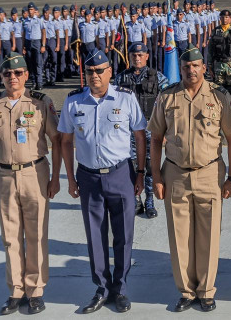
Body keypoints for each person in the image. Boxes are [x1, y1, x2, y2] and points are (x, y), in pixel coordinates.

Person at [148, 45, 231, 313]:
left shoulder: (220, 96)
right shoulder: (167, 97)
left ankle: (206, 291)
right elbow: (155, 139)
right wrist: (156, 175)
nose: (191, 70)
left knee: (208, 235)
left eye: (196, 65)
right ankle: (187, 291)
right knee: (179, 237)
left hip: (210, 173)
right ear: (182, 68)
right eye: (186, 66)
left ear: (204, 67)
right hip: (175, 173)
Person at [0, 52, 61, 315]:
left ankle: (35, 291)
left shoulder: (40, 103)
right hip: (2, 176)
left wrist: (56, 178)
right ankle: (15, 291)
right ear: (1, 77)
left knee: (35, 235)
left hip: (35, 173)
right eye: (7, 74)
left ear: (26, 75)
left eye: (18, 73)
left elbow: (56, 140)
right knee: (10, 238)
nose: (13, 77)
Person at [58, 49, 147, 314]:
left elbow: (140, 136)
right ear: (85, 75)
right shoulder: (74, 101)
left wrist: (141, 172)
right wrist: (71, 177)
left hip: (121, 174)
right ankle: (101, 288)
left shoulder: (126, 98)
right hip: (88, 177)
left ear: (110, 72)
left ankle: (120, 289)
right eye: (90, 72)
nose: (95, 75)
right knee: (95, 236)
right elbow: (65, 140)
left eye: (100, 71)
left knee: (123, 235)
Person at [112, 42, 170, 219]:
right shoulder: (120, 79)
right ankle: (135, 199)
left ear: (146, 56)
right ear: (129, 57)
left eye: (140, 55)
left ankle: (150, 201)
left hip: (151, 130)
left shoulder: (158, 78)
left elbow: (167, 106)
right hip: (127, 133)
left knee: (151, 167)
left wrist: (166, 132)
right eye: (133, 56)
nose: (137, 58)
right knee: (130, 167)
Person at [207, 9, 231, 95]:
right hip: (219, 64)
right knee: (218, 88)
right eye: (222, 17)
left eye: (227, 17)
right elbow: (210, 49)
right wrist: (210, 65)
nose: (224, 19)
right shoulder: (215, 31)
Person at [22, 3, 46, 90]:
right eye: (29, 10)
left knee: (38, 63)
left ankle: (39, 82)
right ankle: (34, 82)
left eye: (31, 10)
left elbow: (43, 32)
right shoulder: (25, 21)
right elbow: (23, 34)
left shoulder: (39, 21)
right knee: (30, 64)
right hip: (28, 43)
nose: (30, 11)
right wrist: (23, 46)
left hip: (37, 43)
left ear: (34, 11)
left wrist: (43, 45)